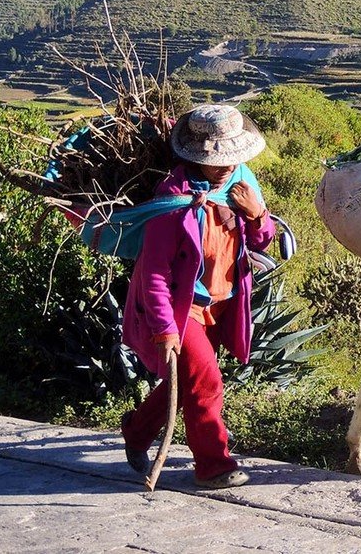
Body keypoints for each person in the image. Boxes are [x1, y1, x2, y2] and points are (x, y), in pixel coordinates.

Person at [120, 104, 276, 489]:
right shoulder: (172, 197)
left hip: (222, 304)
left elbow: (262, 241)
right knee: (206, 380)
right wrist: (164, 328)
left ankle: (137, 431)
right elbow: (154, 271)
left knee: (188, 381)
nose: (226, 166)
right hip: (180, 309)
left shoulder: (242, 181)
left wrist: (258, 216)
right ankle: (213, 465)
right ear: (194, 155)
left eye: (232, 157)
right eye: (216, 159)